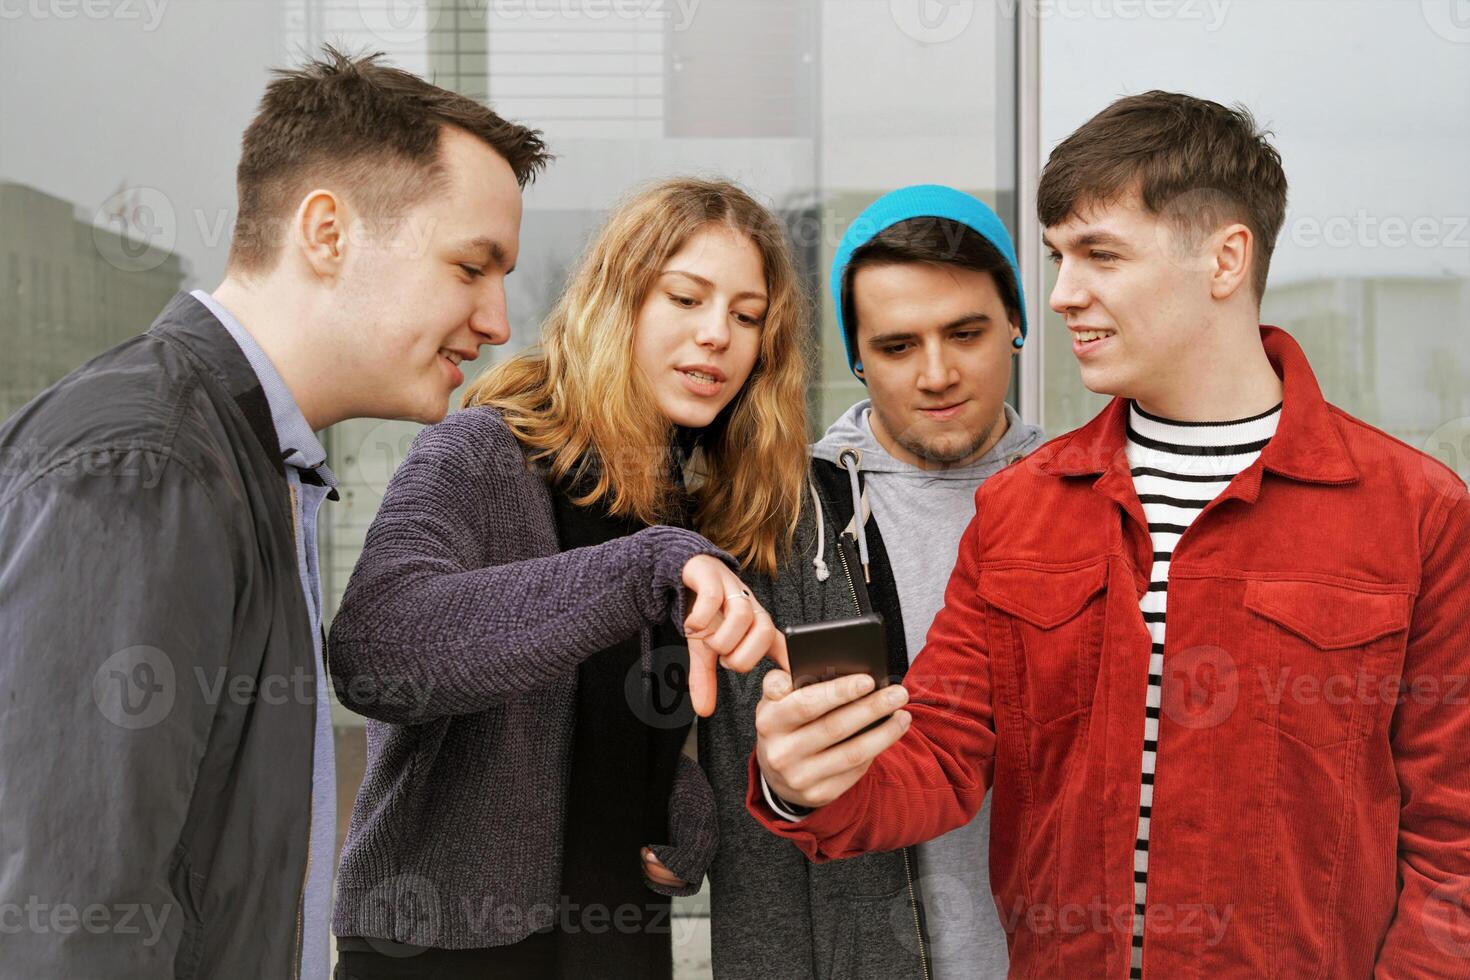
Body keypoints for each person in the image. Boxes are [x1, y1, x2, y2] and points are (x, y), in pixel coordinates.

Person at [748, 91, 1470, 978]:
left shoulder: (1415, 511)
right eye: (1056, 256)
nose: (1058, 295)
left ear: (1225, 259)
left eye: (1099, 255)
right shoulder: (1022, 508)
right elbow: (937, 754)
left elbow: (1453, 838)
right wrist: (802, 779)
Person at [0, 48, 549, 978]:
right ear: (327, 232)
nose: (498, 321)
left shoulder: (249, 454)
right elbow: (74, 913)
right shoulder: (151, 464)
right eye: (470, 266)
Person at [327, 177, 808, 979]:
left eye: (748, 315)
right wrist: (646, 562)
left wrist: (672, 793)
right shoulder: (479, 451)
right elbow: (377, 650)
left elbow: (583, 712)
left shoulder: (682, 501)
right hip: (441, 952)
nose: (717, 334)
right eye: (685, 298)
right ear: (616, 302)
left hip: (612, 945)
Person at [699, 186, 1044, 980]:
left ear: (1017, 325)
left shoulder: (1089, 504)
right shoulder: (772, 514)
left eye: (967, 333)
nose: (937, 373)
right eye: (896, 346)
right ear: (857, 356)